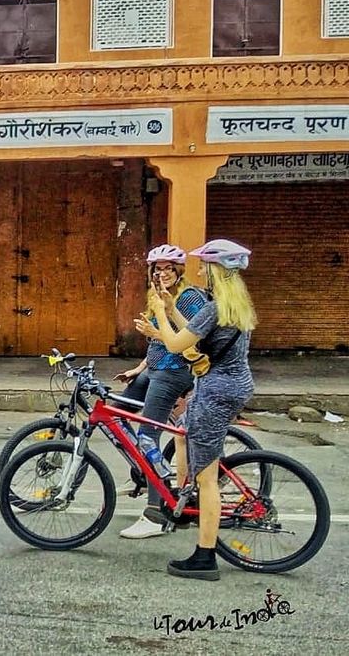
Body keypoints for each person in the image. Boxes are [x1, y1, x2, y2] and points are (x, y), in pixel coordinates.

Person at [135, 239, 256, 581]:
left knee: (208, 479)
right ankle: (185, 501)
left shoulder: (214, 309)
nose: (200, 271)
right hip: (232, 384)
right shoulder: (232, 305)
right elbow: (193, 331)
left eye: (205, 266)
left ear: (216, 270)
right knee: (185, 434)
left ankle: (205, 557)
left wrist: (159, 309)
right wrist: (172, 308)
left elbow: (175, 343)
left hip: (216, 391)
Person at [113, 244, 207, 539]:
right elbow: (156, 345)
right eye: (158, 269)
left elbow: (187, 340)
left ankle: (155, 514)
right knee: (115, 417)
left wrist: (156, 332)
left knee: (147, 438)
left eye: (168, 268)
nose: (162, 273)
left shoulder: (190, 298)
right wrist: (138, 369)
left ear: (179, 271)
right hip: (153, 370)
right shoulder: (155, 296)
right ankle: (145, 472)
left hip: (172, 374)